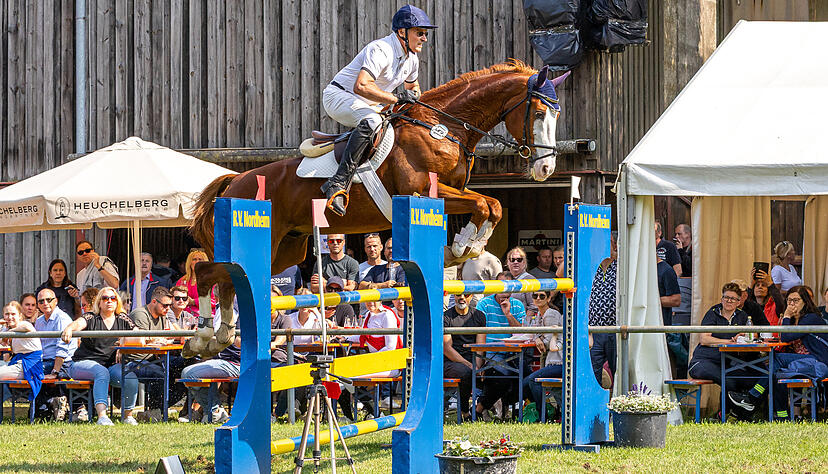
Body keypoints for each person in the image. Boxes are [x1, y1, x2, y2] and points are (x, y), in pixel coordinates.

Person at [320, 5, 437, 216]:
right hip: (339, 96)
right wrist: (397, 98)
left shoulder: (412, 59)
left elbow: (413, 87)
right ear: (402, 32)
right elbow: (362, 86)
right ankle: (337, 183)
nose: (424, 38)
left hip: (368, 103)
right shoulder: (381, 49)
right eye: (419, 33)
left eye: (425, 34)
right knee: (373, 121)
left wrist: (415, 95)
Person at [728, 286, 828, 420]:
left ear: (805, 301)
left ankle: (752, 397)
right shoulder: (794, 320)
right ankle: (782, 416)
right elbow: (783, 336)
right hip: (802, 361)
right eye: (789, 300)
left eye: (796, 300)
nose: (791, 304)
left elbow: (786, 337)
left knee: (776, 360)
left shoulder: (811, 318)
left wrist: (786, 316)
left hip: (818, 363)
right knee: (774, 373)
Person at [61, 288, 139, 425]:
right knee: (101, 372)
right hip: (82, 364)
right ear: (99, 302)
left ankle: (128, 416)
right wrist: (69, 328)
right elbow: (78, 323)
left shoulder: (123, 318)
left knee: (130, 376)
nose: (109, 301)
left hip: (110, 366)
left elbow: (138, 335)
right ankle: (102, 416)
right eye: (105, 298)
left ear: (117, 302)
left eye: (112, 298)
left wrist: (124, 340)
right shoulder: (92, 317)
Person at [688, 282, 756, 395]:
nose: (729, 301)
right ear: (721, 298)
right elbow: (704, 339)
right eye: (726, 297)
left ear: (739, 302)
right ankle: (727, 411)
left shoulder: (742, 315)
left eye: (733, 299)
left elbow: (753, 335)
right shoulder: (713, 313)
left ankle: (738, 409)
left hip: (727, 363)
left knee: (750, 380)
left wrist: (743, 335)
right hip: (703, 361)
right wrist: (729, 341)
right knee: (729, 382)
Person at [474, 271, 525, 419]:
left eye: (507, 288)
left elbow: (522, 333)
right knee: (501, 377)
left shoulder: (518, 305)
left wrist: (508, 314)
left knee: (527, 378)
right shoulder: (484, 304)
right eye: (501, 287)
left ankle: (489, 407)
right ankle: (480, 408)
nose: (504, 292)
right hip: (491, 352)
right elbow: (480, 334)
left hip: (514, 352)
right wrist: (480, 362)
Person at [126, 287, 175, 420]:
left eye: (170, 305)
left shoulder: (162, 316)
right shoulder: (140, 314)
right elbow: (141, 339)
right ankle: (154, 410)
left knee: (181, 370)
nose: (168, 309)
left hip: (154, 359)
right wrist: (157, 340)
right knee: (161, 374)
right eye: (165, 305)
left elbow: (166, 337)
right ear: (154, 301)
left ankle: (158, 409)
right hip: (134, 361)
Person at [443, 293, 486, 420]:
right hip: (451, 361)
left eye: (466, 295)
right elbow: (446, 348)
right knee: (466, 372)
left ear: (471, 296)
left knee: (498, 375)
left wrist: (478, 366)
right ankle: (465, 412)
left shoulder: (479, 316)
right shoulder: (446, 316)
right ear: (454, 297)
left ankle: (480, 409)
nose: (461, 297)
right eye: (458, 295)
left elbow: (480, 345)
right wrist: (469, 365)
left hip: (474, 360)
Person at [521, 290, 564, 418]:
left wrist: (538, 338)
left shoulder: (550, 314)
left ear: (549, 298)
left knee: (530, 381)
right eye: (535, 296)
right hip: (551, 362)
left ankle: (543, 414)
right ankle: (544, 410)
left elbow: (548, 344)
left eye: (542, 296)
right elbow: (536, 334)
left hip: (559, 362)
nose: (538, 298)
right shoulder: (540, 315)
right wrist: (537, 338)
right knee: (525, 378)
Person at [588, 231, 618, 386]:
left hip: (615, 329)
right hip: (594, 330)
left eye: (610, 242)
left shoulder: (621, 265)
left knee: (617, 370)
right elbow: (560, 272)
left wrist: (615, 254)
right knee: (593, 371)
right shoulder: (590, 265)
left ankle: (617, 406)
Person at [0, 301, 44, 403]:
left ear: (20, 315)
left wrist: (9, 333)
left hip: (29, 366)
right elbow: (5, 354)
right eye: (7, 314)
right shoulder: (8, 329)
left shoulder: (24, 324)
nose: (10, 317)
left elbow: (27, 328)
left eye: (13, 314)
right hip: (18, 362)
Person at [175, 249, 217, 316]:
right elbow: (175, 299)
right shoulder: (182, 281)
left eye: (200, 259)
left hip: (207, 318)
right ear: (189, 262)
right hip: (185, 317)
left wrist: (194, 302)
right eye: (194, 259)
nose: (197, 262)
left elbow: (215, 301)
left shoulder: (211, 280)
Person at [504, 247, 538, 320]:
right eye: (512, 260)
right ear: (507, 262)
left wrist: (523, 324)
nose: (515, 262)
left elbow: (533, 306)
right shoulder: (504, 278)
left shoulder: (530, 279)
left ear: (524, 262)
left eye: (519, 260)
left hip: (520, 323)